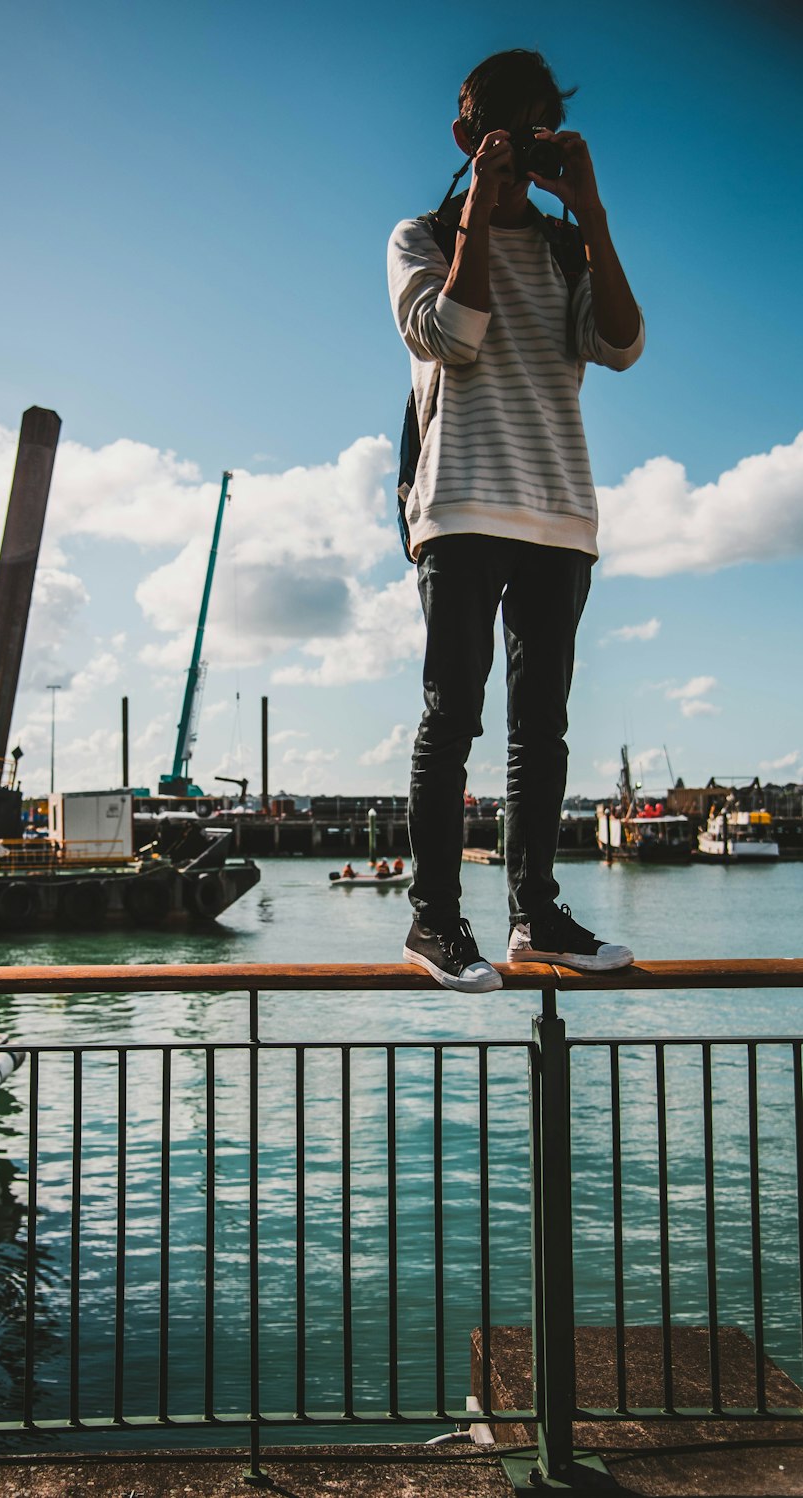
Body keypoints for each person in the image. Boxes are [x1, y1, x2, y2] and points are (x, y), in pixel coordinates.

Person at [388, 49, 643, 993]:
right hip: (459, 507)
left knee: (543, 728)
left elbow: (619, 343)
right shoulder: (419, 237)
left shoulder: (568, 244)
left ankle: (536, 918)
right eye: (510, 132)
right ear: (468, 138)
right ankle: (434, 922)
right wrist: (482, 216)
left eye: (541, 131)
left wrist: (590, 212)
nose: (527, 148)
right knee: (451, 716)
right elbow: (452, 336)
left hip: (560, 514)